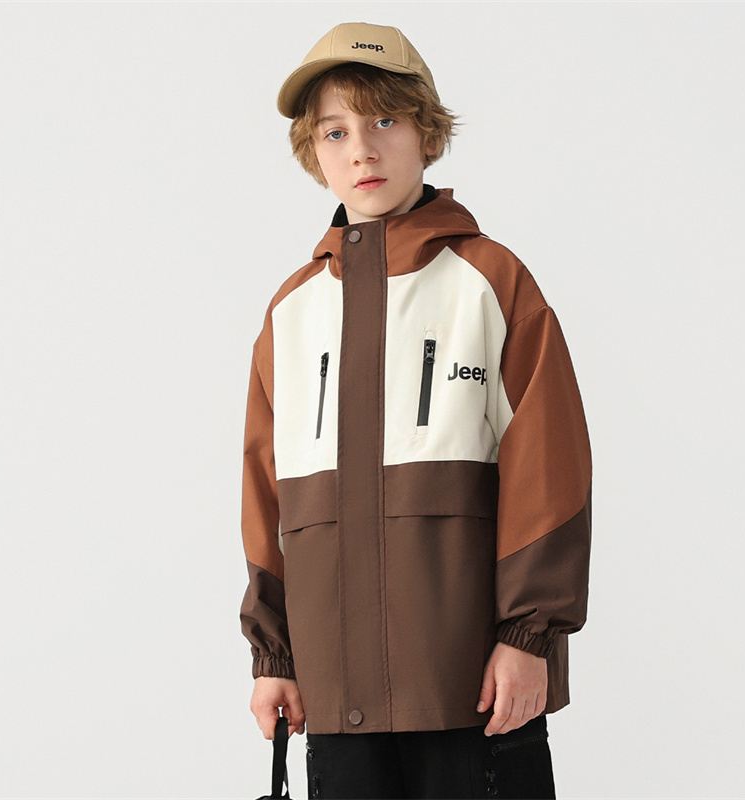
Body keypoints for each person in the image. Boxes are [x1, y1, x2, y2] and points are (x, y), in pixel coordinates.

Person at [239, 21, 592, 800]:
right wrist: (275, 657)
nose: (361, 150)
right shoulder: (292, 312)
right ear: (314, 151)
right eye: (335, 131)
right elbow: (266, 490)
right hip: (335, 695)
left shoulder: (490, 281)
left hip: (473, 688)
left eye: (383, 121)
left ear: (427, 134)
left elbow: (549, 469)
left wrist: (527, 637)